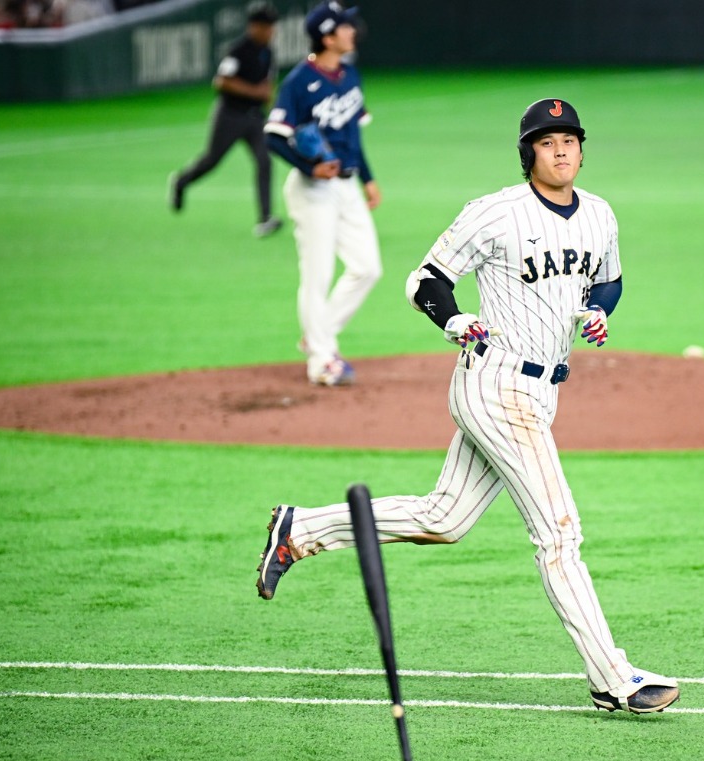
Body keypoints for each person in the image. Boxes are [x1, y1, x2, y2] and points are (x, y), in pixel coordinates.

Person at [255, 98, 680, 715]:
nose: (561, 151)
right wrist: (453, 318)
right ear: (528, 153)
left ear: (582, 150)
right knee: (560, 533)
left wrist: (597, 311)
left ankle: (301, 530)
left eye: (570, 141)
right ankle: (614, 679)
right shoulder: (496, 213)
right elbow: (424, 278)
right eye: (547, 142)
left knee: (445, 518)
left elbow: (608, 279)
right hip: (496, 386)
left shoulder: (599, 216)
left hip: (542, 390)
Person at [262, 0, 382, 387]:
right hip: (312, 190)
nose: (353, 31)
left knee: (367, 267)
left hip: (346, 186)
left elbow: (353, 134)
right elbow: (273, 135)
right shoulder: (298, 82)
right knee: (318, 274)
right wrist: (309, 166)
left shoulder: (349, 75)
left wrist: (367, 178)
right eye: (345, 27)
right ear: (328, 37)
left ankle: (319, 333)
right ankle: (322, 362)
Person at [169, 1, 282, 238]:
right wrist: (255, 92)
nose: (272, 30)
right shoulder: (238, 50)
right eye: (267, 26)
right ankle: (181, 181)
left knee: (265, 161)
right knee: (211, 161)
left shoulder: (268, 52)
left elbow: (267, 85)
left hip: (254, 118)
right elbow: (221, 81)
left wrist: (269, 104)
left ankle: (265, 218)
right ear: (254, 27)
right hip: (230, 116)